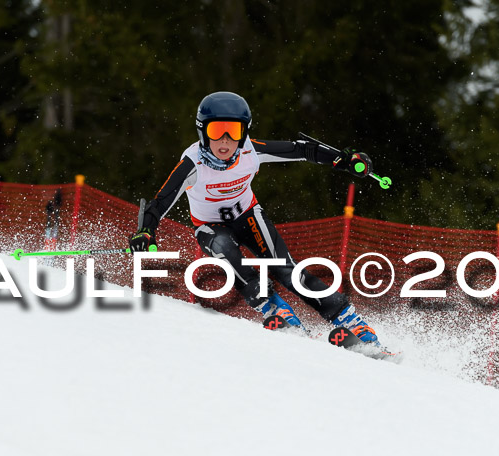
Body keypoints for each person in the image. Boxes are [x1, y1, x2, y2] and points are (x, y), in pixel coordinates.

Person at [129, 91, 381, 345]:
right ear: (202, 131)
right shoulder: (193, 164)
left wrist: (343, 160)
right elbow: (161, 202)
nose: (225, 141)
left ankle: (351, 322)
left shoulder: (250, 152)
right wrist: (145, 231)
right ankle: (275, 310)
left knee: (287, 271)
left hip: (248, 216)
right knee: (226, 250)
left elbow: (302, 150)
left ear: (244, 133)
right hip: (209, 227)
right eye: (217, 131)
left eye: (234, 132)